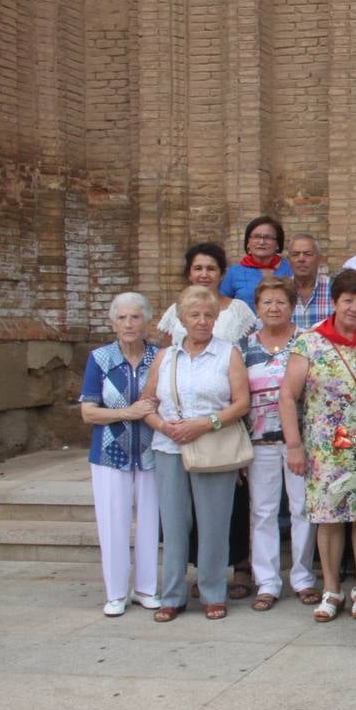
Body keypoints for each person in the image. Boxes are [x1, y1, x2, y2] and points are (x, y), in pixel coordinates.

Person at [280, 269, 356, 622]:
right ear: (334, 302)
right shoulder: (310, 342)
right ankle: (332, 589)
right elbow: (288, 396)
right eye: (347, 300)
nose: (353, 308)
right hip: (325, 449)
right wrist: (294, 445)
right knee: (329, 519)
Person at [141, 285, 251, 622]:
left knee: (214, 523)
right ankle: (172, 595)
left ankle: (212, 592)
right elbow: (147, 403)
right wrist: (162, 425)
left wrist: (205, 423)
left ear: (216, 319)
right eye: (195, 315)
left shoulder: (228, 354)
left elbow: (241, 403)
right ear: (182, 319)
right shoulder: (165, 357)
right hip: (169, 447)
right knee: (174, 525)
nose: (202, 321)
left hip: (213, 447)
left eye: (208, 315)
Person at [80, 292, 161, 617]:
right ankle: (116, 592)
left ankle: (146, 589)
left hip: (151, 451)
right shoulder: (99, 358)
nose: (129, 324)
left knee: (150, 523)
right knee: (113, 522)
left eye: (135, 317)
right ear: (113, 323)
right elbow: (89, 412)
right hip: (110, 454)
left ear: (147, 321)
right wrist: (128, 413)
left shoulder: (160, 356)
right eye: (122, 318)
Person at [240, 277, 318, 610]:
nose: (274, 308)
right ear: (257, 308)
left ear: (292, 307)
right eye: (267, 302)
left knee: (302, 508)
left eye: (281, 302)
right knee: (262, 512)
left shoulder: (307, 342)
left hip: (300, 439)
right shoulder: (243, 347)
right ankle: (267, 582)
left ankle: (302, 578)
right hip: (259, 441)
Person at [157, 243, 258, 347]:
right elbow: (166, 354)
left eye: (211, 269)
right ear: (189, 274)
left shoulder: (239, 310)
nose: (204, 275)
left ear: (222, 274)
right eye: (198, 268)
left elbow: (250, 352)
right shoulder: (176, 310)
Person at [221, 216, 293, 308]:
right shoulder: (234, 273)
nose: (262, 242)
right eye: (256, 237)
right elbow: (221, 305)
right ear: (248, 243)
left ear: (278, 244)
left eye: (268, 237)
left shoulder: (290, 268)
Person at [287, 232, 333, 330]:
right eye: (295, 254)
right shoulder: (281, 290)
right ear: (289, 260)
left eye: (308, 254)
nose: (301, 259)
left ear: (319, 259)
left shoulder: (334, 288)